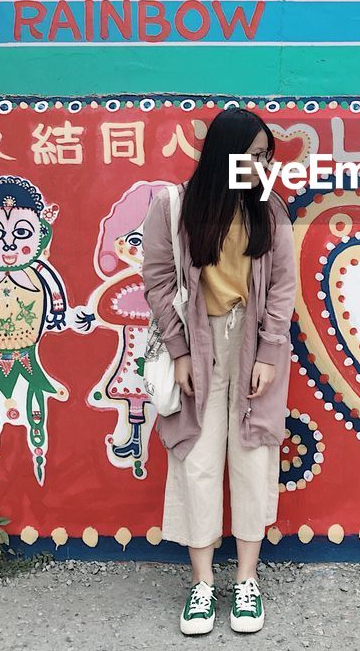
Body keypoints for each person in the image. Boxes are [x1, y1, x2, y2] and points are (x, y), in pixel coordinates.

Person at [141, 109, 296, 635]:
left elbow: (281, 288)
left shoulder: (269, 210)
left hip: (250, 345)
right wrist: (180, 351)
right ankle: (203, 585)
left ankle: (247, 582)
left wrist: (270, 354)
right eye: (252, 155)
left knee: (252, 457)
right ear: (222, 155)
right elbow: (159, 282)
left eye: (265, 157)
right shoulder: (174, 208)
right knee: (198, 460)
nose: (260, 165)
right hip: (200, 344)